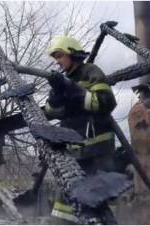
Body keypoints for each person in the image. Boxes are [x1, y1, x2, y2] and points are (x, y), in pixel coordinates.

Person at [44, 35, 119, 224]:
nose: (58, 62)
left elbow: (106, 102)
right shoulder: (63, 79)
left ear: (72, 54)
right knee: (66, 203)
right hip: (75, 152)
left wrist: (74, 90)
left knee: (96, 202)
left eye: (60, 56)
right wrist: (56, 95)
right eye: (56, 58)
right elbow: (52, 112)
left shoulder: (90, 72)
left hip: (97, 150)